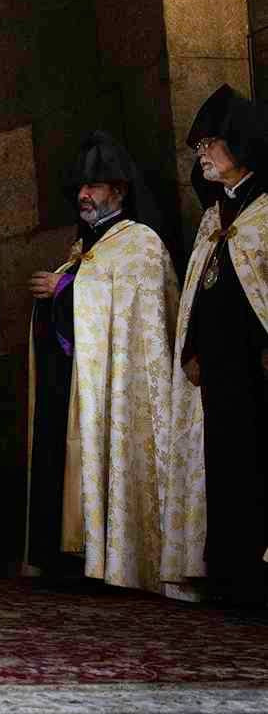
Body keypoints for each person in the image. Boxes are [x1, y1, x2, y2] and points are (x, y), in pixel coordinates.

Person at [22, 132, 196, 595]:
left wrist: (63, 289)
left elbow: (131, 311)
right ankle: (71, 558)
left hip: (114, 389)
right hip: (77, 382)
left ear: (118, 190)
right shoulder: (86, 248)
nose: (83, 195)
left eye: (93, 186)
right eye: (80, 187)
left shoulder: (140, 243)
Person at [175, 85, 268, 605]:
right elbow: (199, 289)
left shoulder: (264, 211)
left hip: (258, 365)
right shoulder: (215, 215)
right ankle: (232, 575)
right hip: (219, 368)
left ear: (241, 143)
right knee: (225, 466)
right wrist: (192, 348)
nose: (202, 154)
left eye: (210, 143)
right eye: (199, 146)